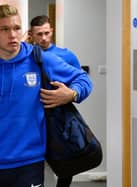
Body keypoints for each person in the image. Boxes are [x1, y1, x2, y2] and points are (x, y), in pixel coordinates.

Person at [0, 4, 92, 187]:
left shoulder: (39, 60)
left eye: (17, 28)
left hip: (30, 165)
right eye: (5, 29)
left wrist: (72, 94)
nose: (12, 35)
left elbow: (83, 79)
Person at [28, 15, 84, 187]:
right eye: (39, 34)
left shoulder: (66, 55)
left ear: (51, 31)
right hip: (34, 119)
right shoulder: (26, 55)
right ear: (31, 34)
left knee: (66, 161)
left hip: (60, 118)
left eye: (46, 33)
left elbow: (80, 79)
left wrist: (71, 93)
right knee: (36, 164)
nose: (44, 38)